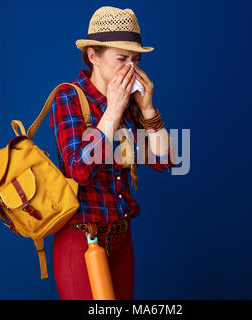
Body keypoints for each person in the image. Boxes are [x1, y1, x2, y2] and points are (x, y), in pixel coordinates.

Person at [50, 6, 177, 300]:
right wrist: (111, 112)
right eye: (122, 58)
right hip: (81, 238)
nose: (130, 68)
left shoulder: (132, 101)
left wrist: (147, 110)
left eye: (136, 59)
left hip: (121, 239)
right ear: (93, 55)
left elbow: (165, 160)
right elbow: (79, 170)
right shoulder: (68, 97)